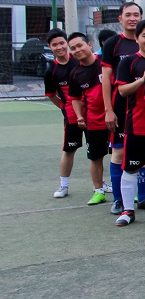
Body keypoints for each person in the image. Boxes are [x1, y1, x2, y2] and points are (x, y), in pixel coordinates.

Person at [113, 20, 145, 226]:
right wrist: (142, 80)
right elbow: (122, 91)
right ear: (137, 38)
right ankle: (128, 210)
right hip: (136, 125)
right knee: (130, 168)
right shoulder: (129, 62)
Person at [101, 2, 144, 215]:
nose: (132, 18)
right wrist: (108, 110)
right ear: (120, 18)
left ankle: (143, 198)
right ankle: (118, 199)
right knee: (118, 152)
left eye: (136, 14)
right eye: (128, 15)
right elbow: (106, 78)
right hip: (120, 106)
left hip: (144, 106)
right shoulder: (112, 44)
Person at [65, 32, 110, 206]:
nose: (77, 50)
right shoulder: (75, 73)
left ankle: (128, 191)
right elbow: (75, 99)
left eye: (79, 45)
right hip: (94, 122)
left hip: (114, 119)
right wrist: (79, 116)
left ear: (89, 45)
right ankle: (99, 191)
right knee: (95, 157)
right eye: (73, 48)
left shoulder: (106, 64)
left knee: (121, 155)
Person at [44, 30, 82, 199]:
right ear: (50, 47)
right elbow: (51, 95)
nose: (59, 47)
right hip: (71, 117)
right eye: (55, 45)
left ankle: (101, 184)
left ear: (67, 43)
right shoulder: (51, 71)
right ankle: (64, 185)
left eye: (62, 43)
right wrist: (65, 107)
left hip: (91, 114)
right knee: (69, 150)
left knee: (96, 153)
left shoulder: (79, 61)